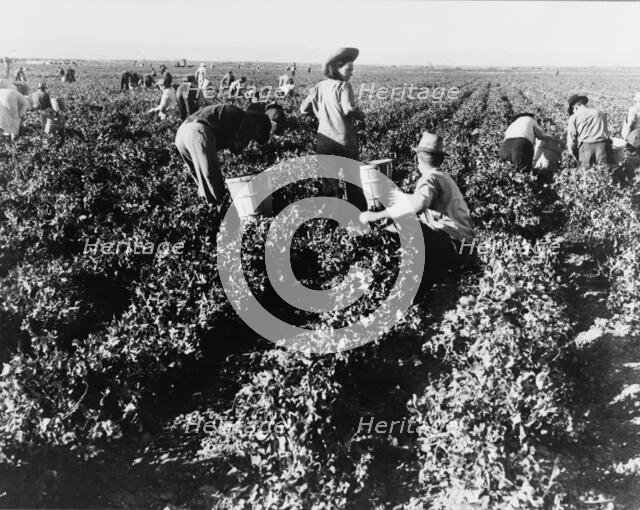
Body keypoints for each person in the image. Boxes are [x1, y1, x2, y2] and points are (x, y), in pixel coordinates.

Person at [359, 132, 475, 276]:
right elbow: (420, 200)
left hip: (455, 246)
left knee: (403, 225)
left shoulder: (429, 178)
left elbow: (419, 205)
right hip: (467, 245)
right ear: (440, 159)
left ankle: (416, 277)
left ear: (417, 158)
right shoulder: (441, 175)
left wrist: (377, 216)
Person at [174, 104, 284, 204]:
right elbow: (236, 148)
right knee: (212, 177)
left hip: (181, 133)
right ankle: (221, 213)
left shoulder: (235, 114)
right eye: (254, 137)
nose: (252, 139)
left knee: (202, 181)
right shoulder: (246, 121)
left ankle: (207, 210)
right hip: (197, 132)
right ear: (258, 125)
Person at [300, 47, 367, 210]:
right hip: (344, 140)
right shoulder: (344, 87)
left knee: (329, 183)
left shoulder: (319, 86)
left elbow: (303, 109)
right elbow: (348, 109)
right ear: (337, 68)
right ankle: (360, 218)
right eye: (349, 70)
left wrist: (321, 113)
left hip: (324, 141)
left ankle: (332, 218)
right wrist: (361, 116)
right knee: (353, 182)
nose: (351, 73)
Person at [566, 94, 614, 167]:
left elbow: (571, 143)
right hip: (603, 148)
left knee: (586, 175)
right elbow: (607, 134)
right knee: (607, 173)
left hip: (586, 150)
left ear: (575, 107)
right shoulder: (600, 113)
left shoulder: (574, 117)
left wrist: (575, 155)